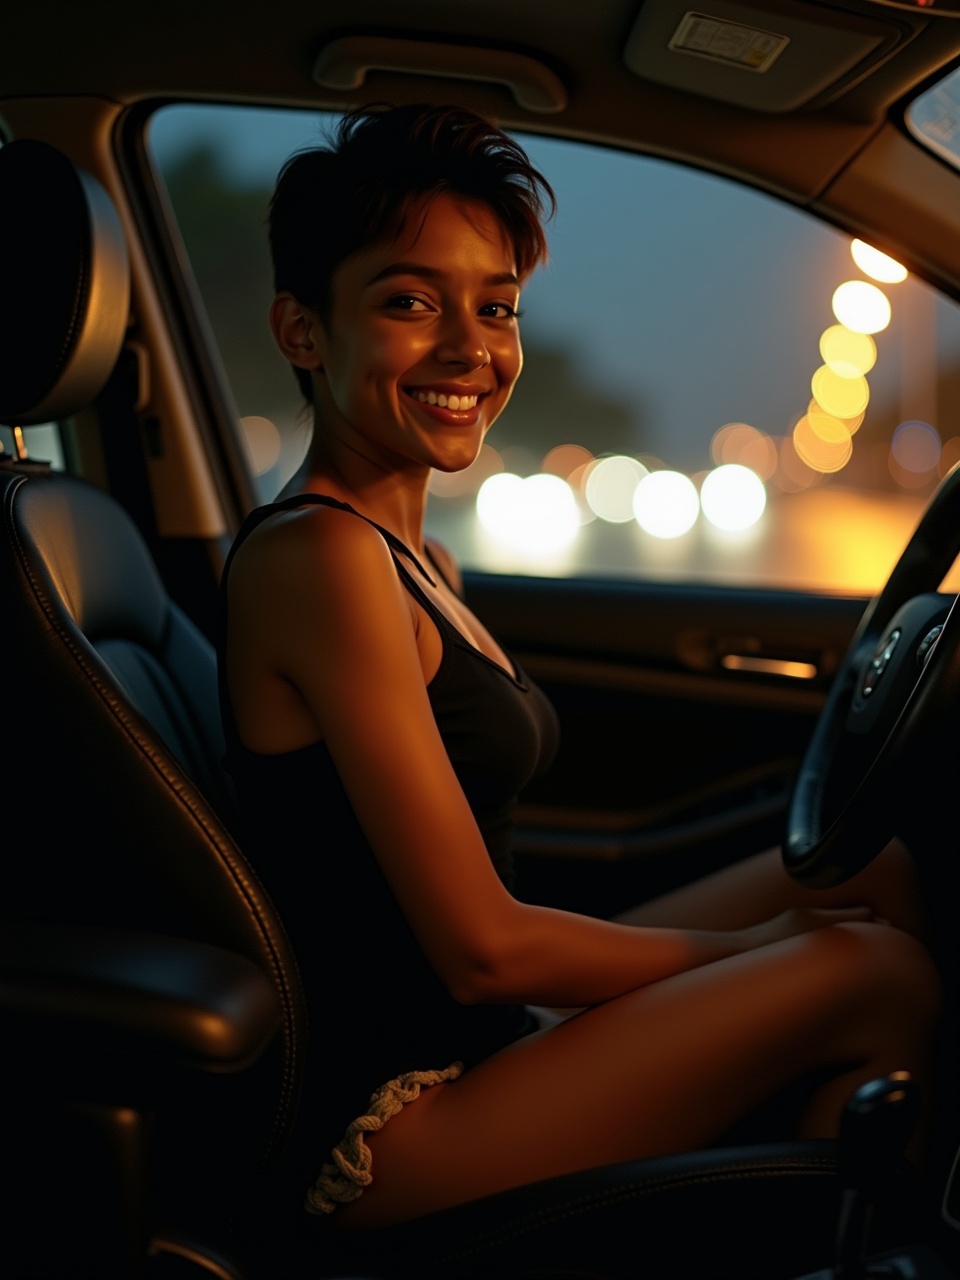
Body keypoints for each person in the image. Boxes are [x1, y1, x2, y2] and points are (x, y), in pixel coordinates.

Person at [219, 102, 941, 1233]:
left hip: (483, 1040)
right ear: (303, 329)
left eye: (495, 307)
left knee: (873, 874)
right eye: (410, 302)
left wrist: (759, 945)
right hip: (391, 1122)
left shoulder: (415, 553)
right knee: (880, 971)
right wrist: (751, 951)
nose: (471, 347)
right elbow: (479, 946)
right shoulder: (320, 558)